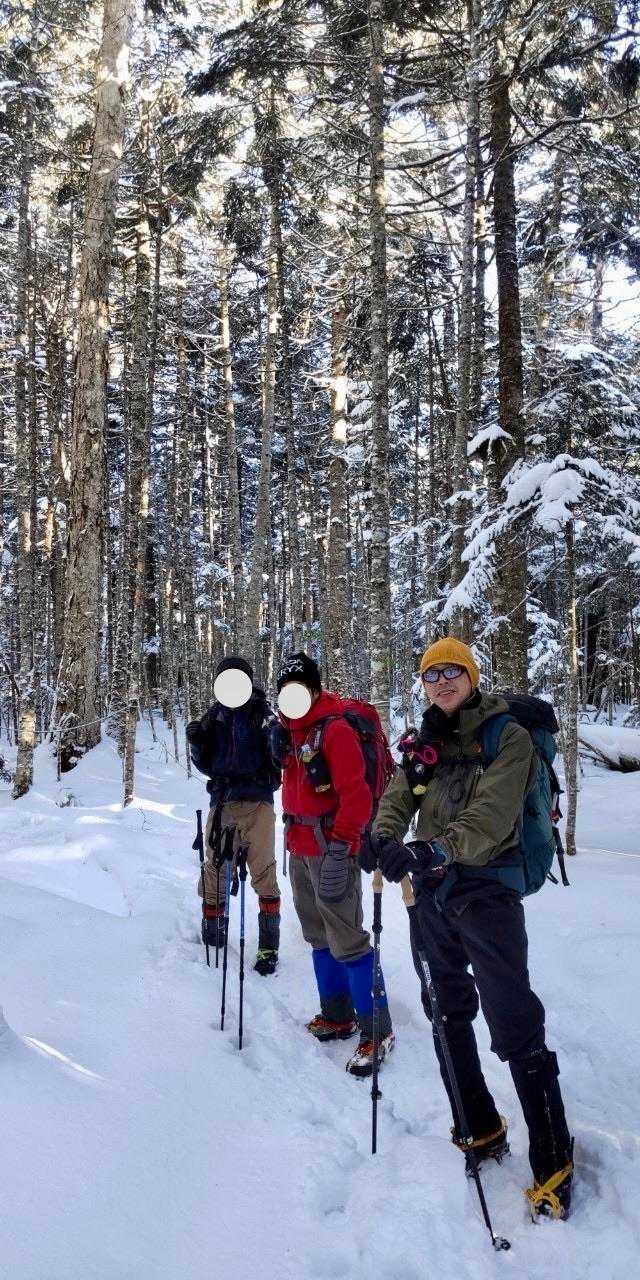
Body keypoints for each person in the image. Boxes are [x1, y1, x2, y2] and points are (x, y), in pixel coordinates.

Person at [364, 637, 574, 1218]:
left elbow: (493, 814)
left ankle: (553, 1156)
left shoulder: (508, 736)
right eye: (431, 674)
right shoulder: (425, 741)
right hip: (432, 893)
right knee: (445, 1007)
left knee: (513, 1019)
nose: (442, 682)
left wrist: (435, 848)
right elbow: (400, 795)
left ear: (472, 676)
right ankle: (477, 1126)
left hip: (488, 891)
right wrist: (382, 836)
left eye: (452, 671)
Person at [270, 652, 394, 1078]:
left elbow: (356, 797)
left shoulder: (334, 729)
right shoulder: (290, 731)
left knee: (347, 937)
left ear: (313, 688)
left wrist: (343, 849)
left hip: (331, 846)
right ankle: (337, 1015)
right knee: (317, 934)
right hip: (300, 846)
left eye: (299, 687)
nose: (291, 696)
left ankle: (378, 1029)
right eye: (285, 689)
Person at [186, 655, 281, 976]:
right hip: (223, 803)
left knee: (263, 871)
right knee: (215, 869)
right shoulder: (214, 717)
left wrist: (276, 737)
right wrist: (197, 744)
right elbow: (205, 764)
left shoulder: (262, 714)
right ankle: (214, 931)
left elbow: (277, 755)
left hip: (258, 802)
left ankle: (268, 945)